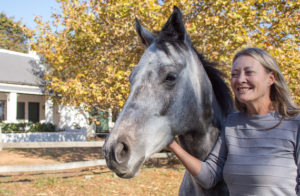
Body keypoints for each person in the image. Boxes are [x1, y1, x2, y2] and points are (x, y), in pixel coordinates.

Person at [168, 47, 300, 195]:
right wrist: (171, 144)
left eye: (249, 72)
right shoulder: (232, 124)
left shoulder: (295, 124)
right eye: (234, 74)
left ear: (271, 78)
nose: (240, 80)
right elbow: (209, 176)